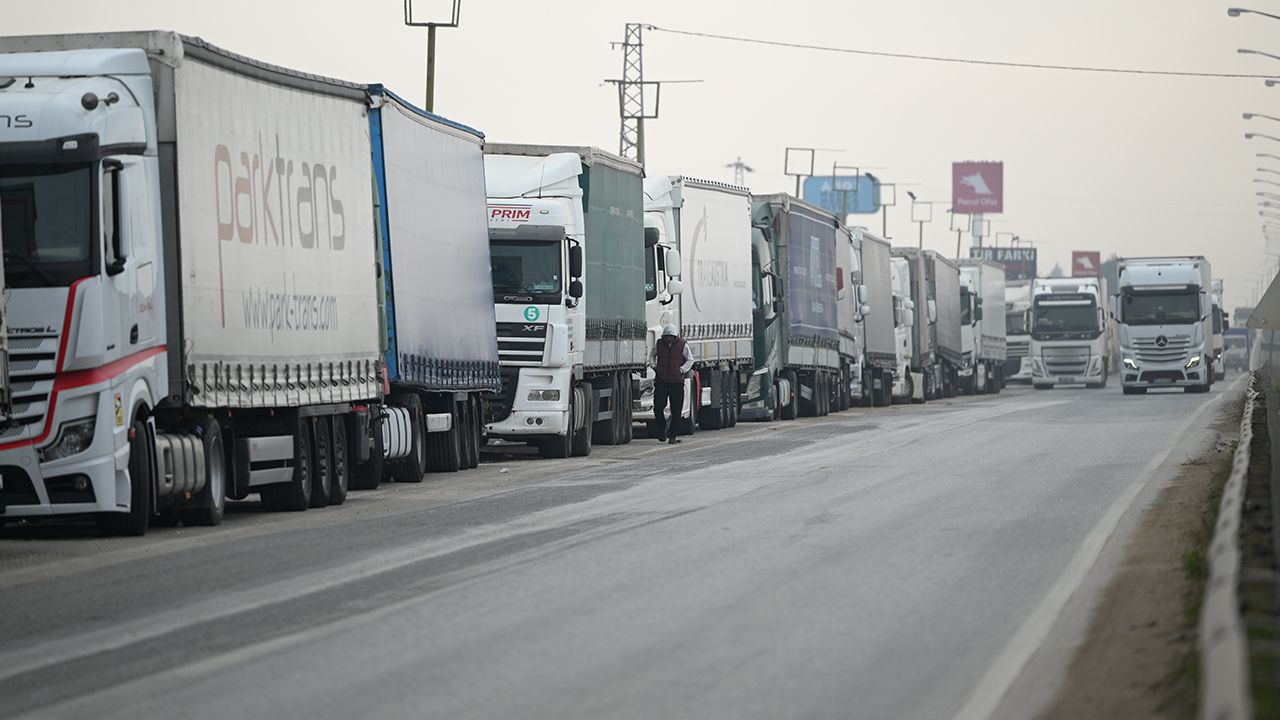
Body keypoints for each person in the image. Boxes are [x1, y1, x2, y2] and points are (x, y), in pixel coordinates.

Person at [651, 324, 694, 444]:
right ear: (663, 336)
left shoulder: (682, 345)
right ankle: (662, 429)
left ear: (675, 337)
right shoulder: (659, 344)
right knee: (658, 407)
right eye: (667, 336)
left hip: (677, 383)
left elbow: (690, 360)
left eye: (671, 336)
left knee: (676, 411)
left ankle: (673, 436)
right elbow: (652, 356)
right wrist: (654, 366)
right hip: (661, 382)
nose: (669, 338)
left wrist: (681, 370)